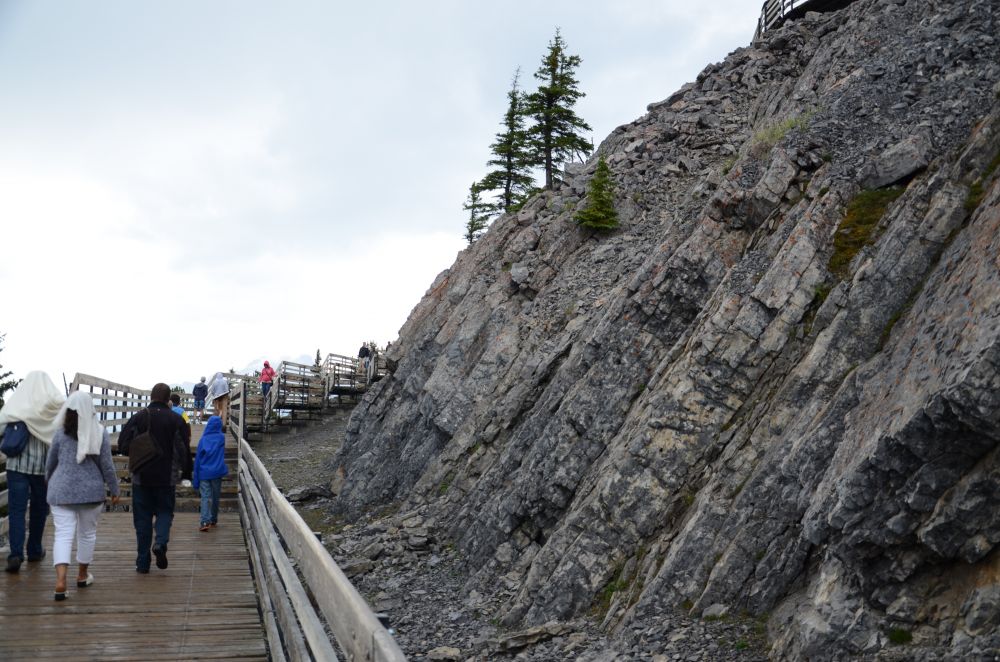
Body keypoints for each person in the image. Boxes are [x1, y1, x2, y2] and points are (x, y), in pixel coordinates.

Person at [45, 391, 120, 601]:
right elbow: (106, 465)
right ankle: (82, 575)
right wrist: (114, 489)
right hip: (91, 492)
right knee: (87, 534)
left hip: (61, 490)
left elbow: (51, 461)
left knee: (63, 535)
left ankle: (61, 581)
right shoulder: (100, 432)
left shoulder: (60, 433)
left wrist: (48, 480)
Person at [118, 382, 191, 573]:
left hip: (141, 476)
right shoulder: (176, 420)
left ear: (151, 397)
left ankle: (143, 563)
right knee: (165, 512)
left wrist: (139, 449)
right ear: (168, 400)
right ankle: (160, 543)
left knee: (142, 520)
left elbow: (122, 444)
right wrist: (187, 473)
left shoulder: (139, 417)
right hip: (167, 478)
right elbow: (183, 448)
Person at [0, 371, 64, 573]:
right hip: (43, 468)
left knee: (17, 511)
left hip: (16, 466)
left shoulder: (18, 404)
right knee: (39, 509)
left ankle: (15, 555)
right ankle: (35, 550)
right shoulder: (53, 407)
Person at [192, 415, 228, 532]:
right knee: (215, 497)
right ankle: (213, 519)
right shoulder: (221, 438)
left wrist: (195, 479)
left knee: (205, 497)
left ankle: (204, 521)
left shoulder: (203, 440)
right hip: (217, 472)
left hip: (204, 473)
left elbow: (198, 460)